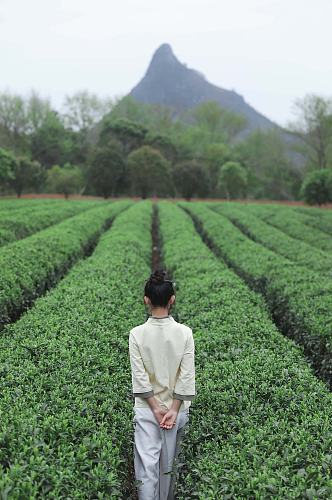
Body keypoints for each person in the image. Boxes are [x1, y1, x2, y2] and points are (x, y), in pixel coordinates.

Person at [129, 269, 196, 500]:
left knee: (147, 469)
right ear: (172, 300)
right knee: (169, 467)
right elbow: (186, 376)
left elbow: (140, 376)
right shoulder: (185, 333)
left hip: (147, 409)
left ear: (146, 300)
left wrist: (156, 408)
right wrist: (173, 410)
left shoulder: (136, 334)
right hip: (176, 412)